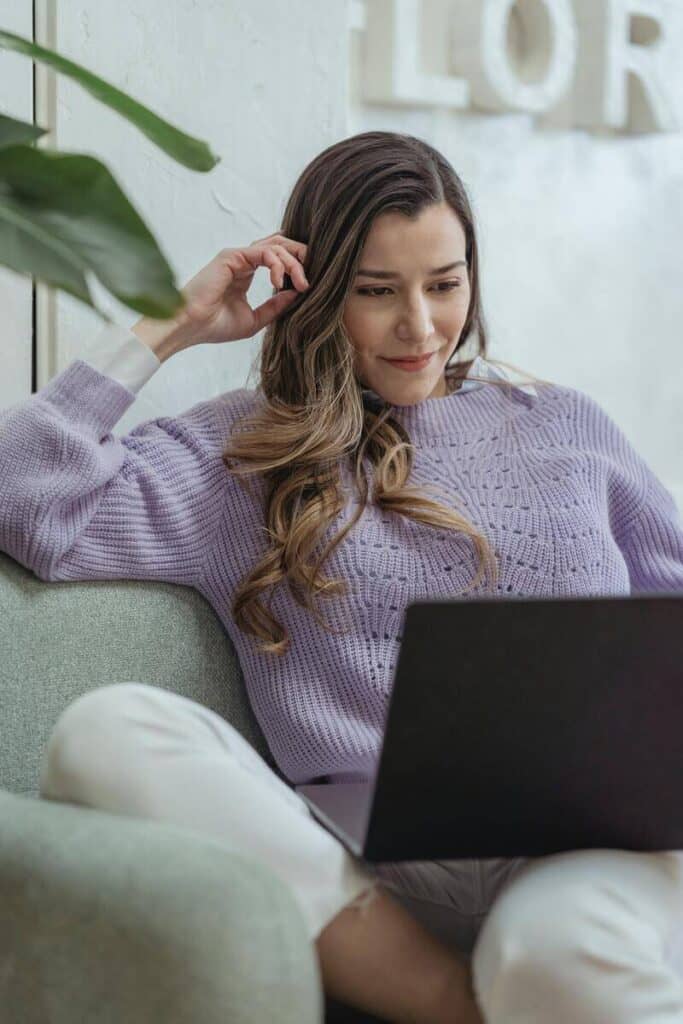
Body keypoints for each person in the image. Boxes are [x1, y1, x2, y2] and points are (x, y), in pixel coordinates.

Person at [1, 129, 683, 1023]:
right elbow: (23, 496)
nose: (421, 326)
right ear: (315, 294)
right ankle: (445, 1001)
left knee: (559, 959)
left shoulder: (565, 428)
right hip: (364, 879)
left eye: (444, 283)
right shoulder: (236, 459)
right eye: (376, 293)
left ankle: (508, 992)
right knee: (106, 728)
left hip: (582, 854)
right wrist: (168, 324)